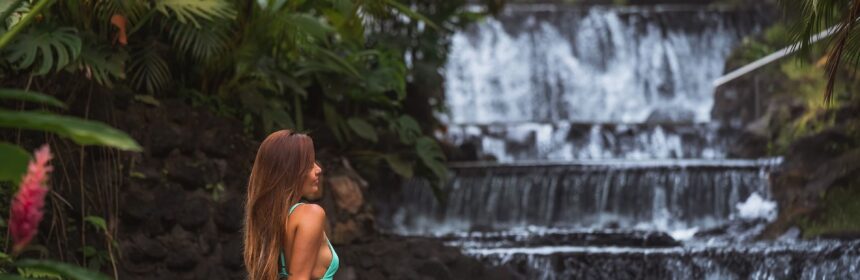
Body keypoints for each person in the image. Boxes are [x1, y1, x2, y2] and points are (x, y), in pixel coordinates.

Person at [243, 130, 339, 280]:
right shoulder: (311, 214)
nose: (318, 169)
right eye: (309, 164)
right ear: (289, 171)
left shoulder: (267, 221)